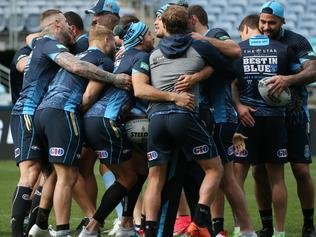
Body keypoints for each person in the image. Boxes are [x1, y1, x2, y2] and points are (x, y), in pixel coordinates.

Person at [10, 9, 131, 237]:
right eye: (66, 24)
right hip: (32, 109)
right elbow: (76, 67)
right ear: (57, 25)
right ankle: (28, 231)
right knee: (39, 173)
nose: (71, 28)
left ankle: (39, 225)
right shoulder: (49, 44)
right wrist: (115, 78)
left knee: (49, 173)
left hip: (40, 111)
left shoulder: (51, 44)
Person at [78, 21, 191, 237]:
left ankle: (127, 224)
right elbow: (140, 90)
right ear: (140, 39)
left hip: (96, 120)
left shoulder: (121, 55)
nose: (152, 37)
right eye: (149, 34)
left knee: (140, 169)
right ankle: (93, 226)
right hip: (107, 120)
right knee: (128, 177)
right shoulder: (140, 57)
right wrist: (173, 96)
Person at [139, 5, 233, 237]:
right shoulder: (199, 46)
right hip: (184, 116)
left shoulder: (154, 54)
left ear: (166, 25)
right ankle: (199, 221)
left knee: (155, 179)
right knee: (214, 169)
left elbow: (141, 88)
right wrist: (198, 75)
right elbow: (229, 67)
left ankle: (149, 230)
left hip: (156, 120)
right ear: (189, 24)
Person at [187, 5, 256, 237]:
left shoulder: (214, 34)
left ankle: (246, 229)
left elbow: (235, 49)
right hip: (211, 116)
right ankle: (219, 227)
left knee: (225, 177)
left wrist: (203, 40)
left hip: (220, 116)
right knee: (217, 175)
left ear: (193, 20)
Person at [248, 2, 316, 237]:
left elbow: (313, 70)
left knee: (301, 170)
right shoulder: (255, 44)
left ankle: (308, 224)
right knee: (258, 172)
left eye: (272, 23)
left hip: (294, 116)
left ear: (283, 22)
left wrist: (287, 80)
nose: (266, 27)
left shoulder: (296, 41)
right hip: (264, 118)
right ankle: (267, 226)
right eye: (262, 22)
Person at [232, 13, 301, 237]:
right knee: (277, 178)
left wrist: (239, 106)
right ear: (260, 26)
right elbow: (295, 81)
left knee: (237, 177)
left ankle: (240, 228)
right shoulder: (283, 49)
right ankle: (279, 232)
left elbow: (230, 83)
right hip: (274, 121)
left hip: (245, 120)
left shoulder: (238, 49)